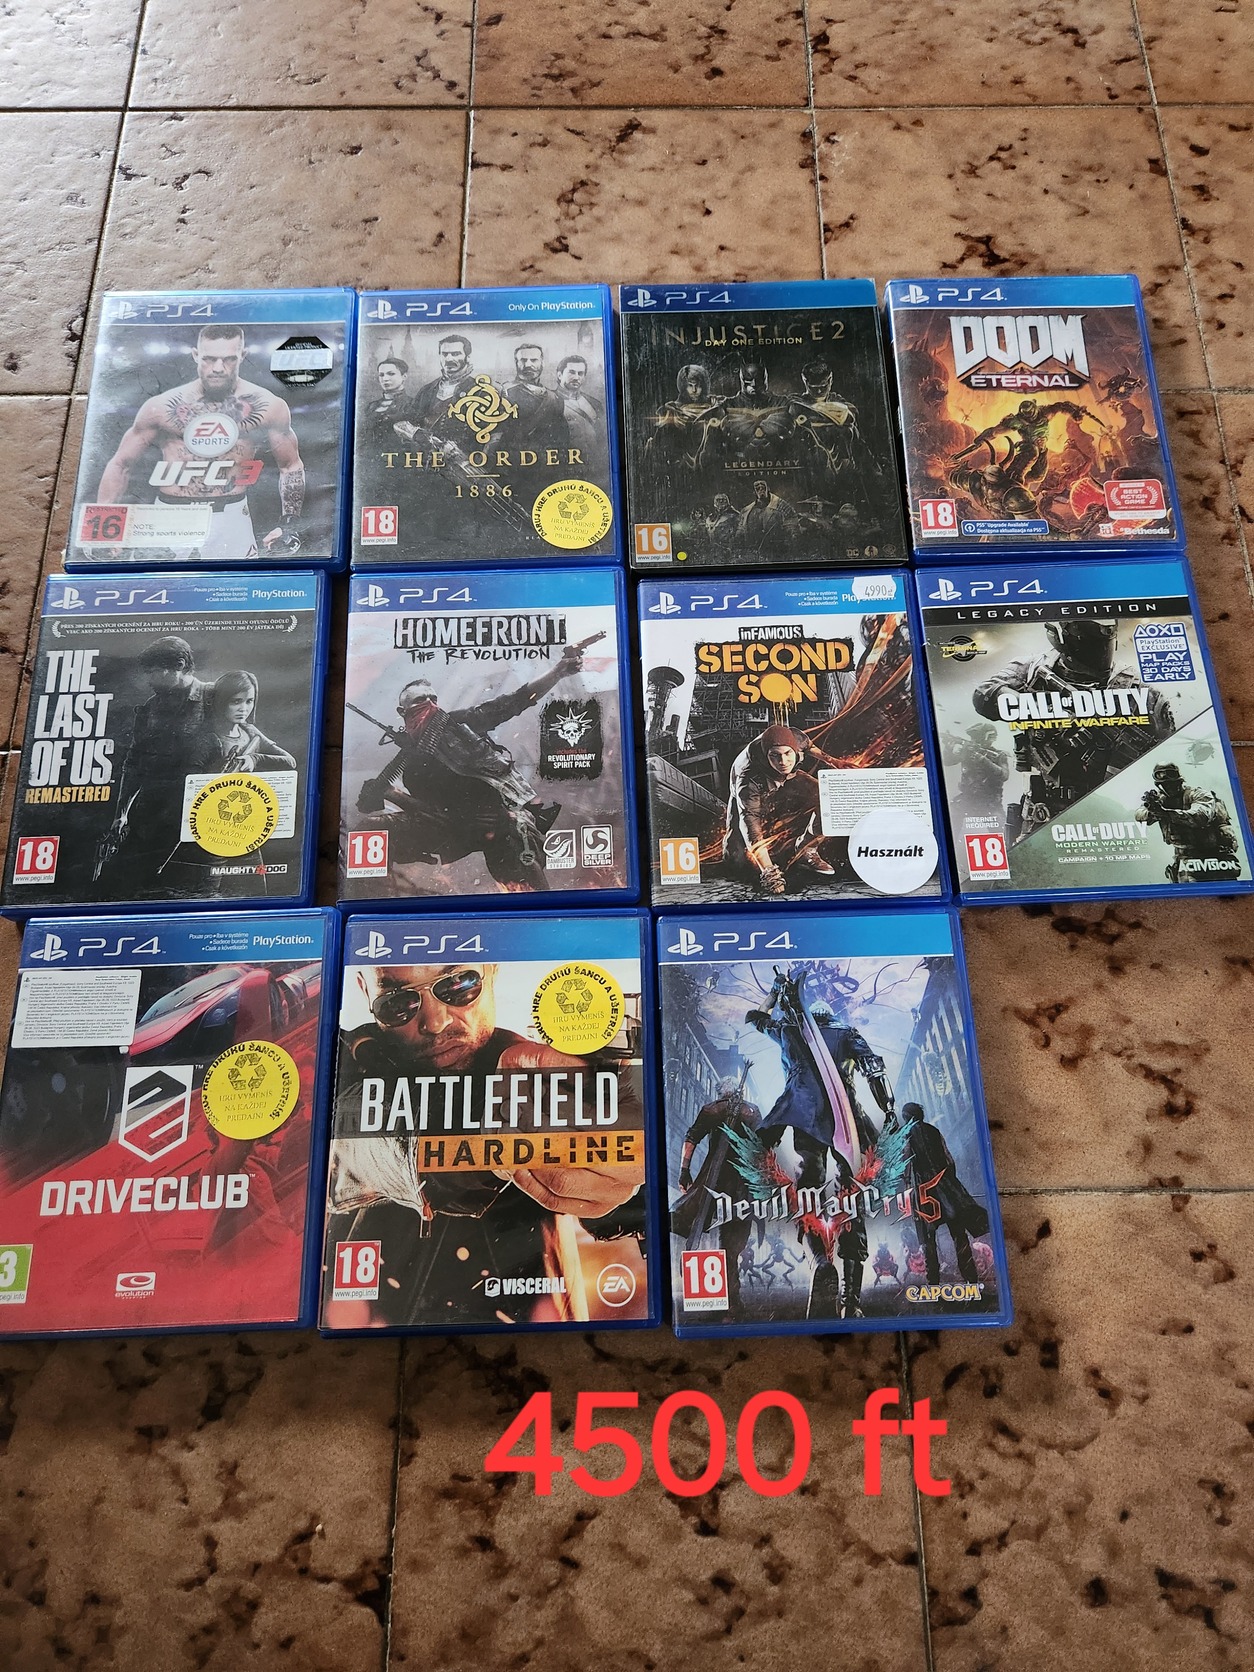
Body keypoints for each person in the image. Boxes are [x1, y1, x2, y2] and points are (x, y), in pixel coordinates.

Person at [326, 959, 644, 1325]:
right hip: (375, 1328)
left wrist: (635, 1164)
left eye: (458, 984)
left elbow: (619, 1210)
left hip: (538, 1329)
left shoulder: (545, 1070)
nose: (435, 1023)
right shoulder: (339, 1065)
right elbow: (351, 1146)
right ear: (366, 991)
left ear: (491, 968)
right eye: (398, 1002)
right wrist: (491, 1128)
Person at [356, 644, 588, 892]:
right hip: (451, 826)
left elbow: (512, 702)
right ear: (402, 712)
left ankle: (541, 907)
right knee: (371, 830)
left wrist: (558, 671)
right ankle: (374, 899)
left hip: (497, 818)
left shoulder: (458, 724)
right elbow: (428, 812)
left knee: (519, 851)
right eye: (420, 700)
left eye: (433, 698)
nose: (430, 704)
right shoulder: (411, 763)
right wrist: (387, 794)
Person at [94, 323, 305, 562]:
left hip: (231, 514)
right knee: (153, 581)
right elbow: (121, 464)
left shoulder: (268, 405)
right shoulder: (160, 406)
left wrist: (290, 524)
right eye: (209, 359)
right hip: (168, 514)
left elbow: (290, 465)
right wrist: (103, 526)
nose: (218, 368)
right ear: (196, 355)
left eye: (228, 359)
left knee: (237, 583)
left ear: (242, 355)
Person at [973, 617, 1174, 840]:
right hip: (1043, 809)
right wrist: (1038, 708)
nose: (1099, 653)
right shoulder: (1032, 668)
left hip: (1104, 811)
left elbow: (1167, 751)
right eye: (1089, 643)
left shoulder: (1140, 690)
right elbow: (984, 694)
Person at [100, 637, 212, 887]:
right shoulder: (150, 707)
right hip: (153, 812)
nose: (149, 680)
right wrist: (121, 815)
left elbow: (243, 740)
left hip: (203, 813)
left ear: (180, 665)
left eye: (154, 672)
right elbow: (134, 761)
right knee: (128, 882)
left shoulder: (213, 696)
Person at [671, 1076, 763, 1311]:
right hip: (742, 1183)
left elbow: (691, 1139)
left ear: (721, 1092)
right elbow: (764, 1146)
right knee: (732, 1240)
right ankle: (731, 1297)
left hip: (717, 1180)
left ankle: (730, 1298)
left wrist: (684, 1171)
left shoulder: (713, 1109)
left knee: (692, 1220)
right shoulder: (752, 1111)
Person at [722, 724, 835, 895]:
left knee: (828, 798)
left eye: (788, 753)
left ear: (795, 749)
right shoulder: (748, 779)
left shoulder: (797, 737)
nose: (783, 761)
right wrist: (770, 874)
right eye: (775, 756)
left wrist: (833, 761)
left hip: (787, 777)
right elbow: (751, 825)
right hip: (752, 783)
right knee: (735, 858)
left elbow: (810, 747)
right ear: (766, 755)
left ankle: (806, 850)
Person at [899, 1101, 988, 1287]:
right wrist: (949, 1183)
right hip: (946, 1188)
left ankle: (933, 1283)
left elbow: (905, 1168)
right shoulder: (933, 1131)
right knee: (959, 1234)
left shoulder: (906, 1137)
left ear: (907, 1117)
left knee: (928, 1240)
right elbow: (949, 1160)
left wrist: (909, 1187)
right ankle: (971, 1278)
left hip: (924, 1193)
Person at [1137, 760, 1242, 884]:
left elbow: (1201, 816)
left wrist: (1166, 813)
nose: (1168, 787)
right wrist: (1153, 811)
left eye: (1171, 784)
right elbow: (1140, 815)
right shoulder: (1161, 800)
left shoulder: (1199, 795)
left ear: (1179, 780)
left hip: (1214, 856)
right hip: (1185, 858)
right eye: (1164, 785)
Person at [201, 671, 296, 776]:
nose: (244, 709)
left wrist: (254, 759)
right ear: (221, 702)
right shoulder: (206, 741)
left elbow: (290, 761)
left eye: (249, 701)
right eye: (236, 701)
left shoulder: (249, 731)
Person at [503, 343, 569, 451]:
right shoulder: (505, 393)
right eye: (523, 360)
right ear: (516, 363)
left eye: (534, 360)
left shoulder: (555, 398)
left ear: (542, 363)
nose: (528, 364)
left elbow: (562, 437)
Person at [407, 335, 477, 434]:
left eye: (455, 354)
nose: (448, 359)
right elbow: (410, 424)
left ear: (468, 357)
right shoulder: (426, 391)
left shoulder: (479, 390)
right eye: (444, 354)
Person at [555, 355, 603, 470]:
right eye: (571, 372)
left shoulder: (594, 404)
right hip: (563, 468)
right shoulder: (549, 402)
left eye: (580, 373)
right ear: (559, 375)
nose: (576, 377)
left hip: (593, 467)